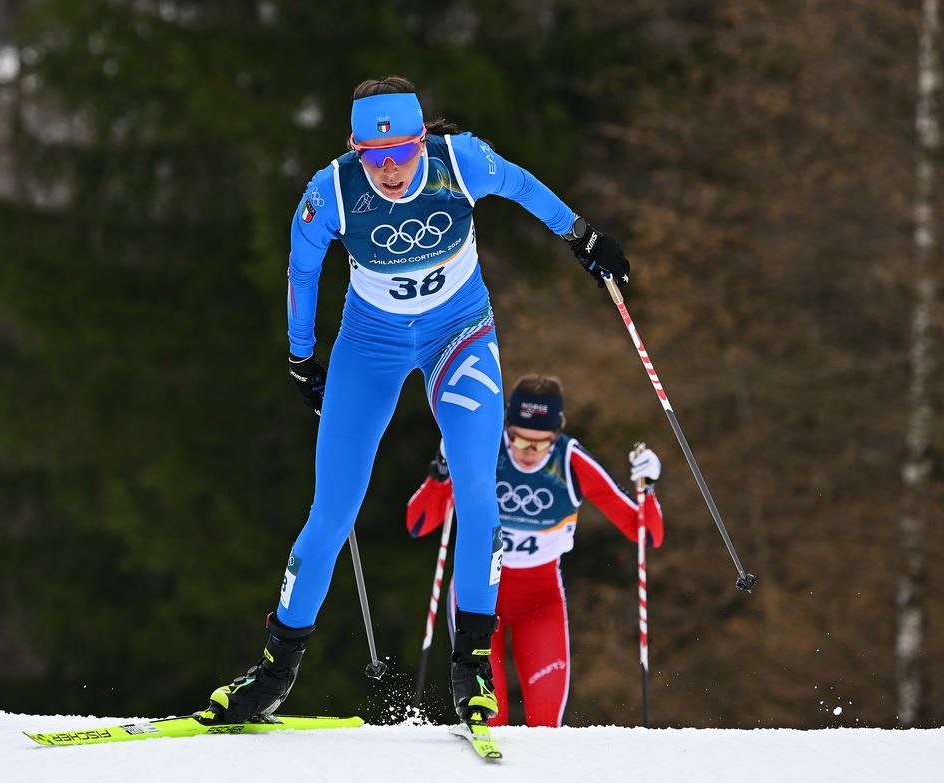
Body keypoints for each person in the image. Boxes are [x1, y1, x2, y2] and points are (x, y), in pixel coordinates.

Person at [200, 76, 633, 726]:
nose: (390, 169)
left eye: (401, 152)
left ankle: (473, 669)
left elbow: (521, 185)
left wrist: (583, 237)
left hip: (459, 335)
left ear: (421, 139)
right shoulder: (330, 192)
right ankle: (273, 674)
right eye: (374, 157)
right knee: (331, 511)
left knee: (478, 493)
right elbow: (302, 270)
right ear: (355, 149)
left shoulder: (460, 161)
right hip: (368, 346)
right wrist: (300, 357)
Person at [406, 375, 664, 727]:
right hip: (478, 596)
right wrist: (440, 470)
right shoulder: (484, 447)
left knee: (546, 725)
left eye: (541, 444)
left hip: (540, 601)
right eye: (519, 439)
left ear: (557, 433)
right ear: (506, 426)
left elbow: (645, 534)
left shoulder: (570, 461)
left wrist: (647, 488)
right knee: (488, 718)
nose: (528, 453)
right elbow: (419, 523)